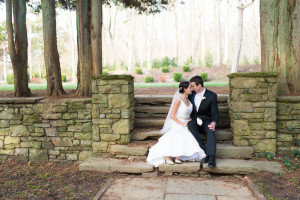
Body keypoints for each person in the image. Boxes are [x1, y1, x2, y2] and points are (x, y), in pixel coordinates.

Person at [146, 81, 206, 167]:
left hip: (186, 122)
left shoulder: (188, 100)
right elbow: (172, 115)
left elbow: (189, 114)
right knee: (179, 132)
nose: (192, 89)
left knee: (187, 133)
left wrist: (189, 121)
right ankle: (167, 156)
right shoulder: (178, 100)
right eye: (190, 87)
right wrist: (182, 124)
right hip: (177, 122)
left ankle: (178, 156)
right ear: (185, 89)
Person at [188, 76, 219, 168]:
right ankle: (205, 152)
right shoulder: (191, 94)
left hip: (206, 121)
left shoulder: (212, 95)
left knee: (210, 129)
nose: (191, 88)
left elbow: (215, 112)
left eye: (193, 86)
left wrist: (214, 122)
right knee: (189, 124)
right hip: (195, 121)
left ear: (199, 85)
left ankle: (212, 158)